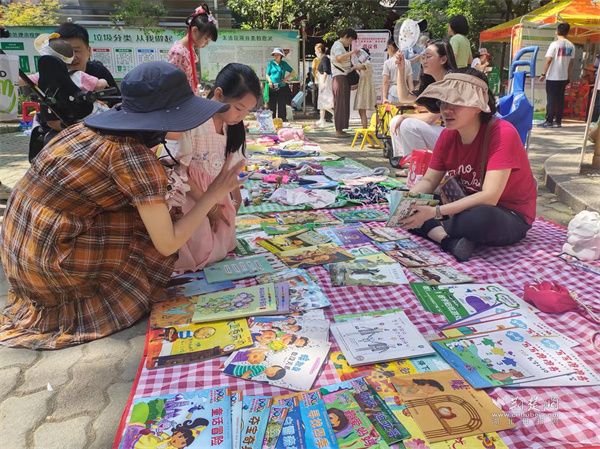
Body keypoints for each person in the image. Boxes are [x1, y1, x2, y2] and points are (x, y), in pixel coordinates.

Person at [0, 62, 243, 349]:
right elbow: (168, 243)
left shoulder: (85, 129)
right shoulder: (133, 157)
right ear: (162, 119)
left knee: (150, 211)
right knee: (151, 226)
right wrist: (213, 195)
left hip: (21, 258)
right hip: (52, 272)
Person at [399, 68, 537, 262]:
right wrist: (408, 201)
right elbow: (429, 180)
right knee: (415, 206)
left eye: (456, 103)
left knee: (479, 218)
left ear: (478, 106)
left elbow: (490, 197)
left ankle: (434, 229)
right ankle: (449, 241)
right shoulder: (448, 135)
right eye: (443, 102)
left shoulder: (502, 133)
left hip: (507, 214)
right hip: (464, 203)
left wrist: (434, 212)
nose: (446, 110)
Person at [167, 63, 261, 272]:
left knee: (221, 242)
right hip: (193, 197)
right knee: (197, 245)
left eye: (247, 112)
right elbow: (181, 173)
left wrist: (235, 199)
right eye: (239, 108)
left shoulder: (231, 126)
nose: (241, 116)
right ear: (219, 94)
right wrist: (210, 207)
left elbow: (231, 168)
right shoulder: (194, 123)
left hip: (218, 195)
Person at [389, 41, 457, 172]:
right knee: (395, 121)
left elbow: (432, 117)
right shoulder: (433, 83)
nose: (424, 61)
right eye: (423, 57)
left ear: (443, 59)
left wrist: (405, 116)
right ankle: (409, 163)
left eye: (428, 57)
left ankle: (421, 168)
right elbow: (404, 98)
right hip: (445, 134)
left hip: (457, 138)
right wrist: (401, 69)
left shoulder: (450, 82)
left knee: (408, 125)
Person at [168, 3, 218, 94]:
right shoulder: (178, 52)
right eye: (206, 39)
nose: (207, 43)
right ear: (194, 30)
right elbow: (172, 84)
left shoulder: (189, 48)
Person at [539, 22, 575, 128]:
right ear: (567, 32)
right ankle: (558, 121)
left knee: (551, 99)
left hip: (553, 76)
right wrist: (569, 76)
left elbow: (549, 60)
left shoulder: (554, 44)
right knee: (560, 99)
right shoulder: (571, 46)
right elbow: (571, 63)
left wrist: (543, 73)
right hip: (564, 77)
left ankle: (549, 121)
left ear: (557, 31)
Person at [331, 28, 359, 137]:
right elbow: (339, 58)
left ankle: (341, 129)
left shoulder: (340, 46)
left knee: (343, 103)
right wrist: (352, 52)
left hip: (342, 77)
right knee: (340, 104)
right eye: (350, 40)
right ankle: (339, 130)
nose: (350, 43)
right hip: (339, 78)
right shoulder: (338, 45)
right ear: (346, 36)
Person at [266, 48, 296, 121]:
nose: (276, 56)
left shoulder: (284, 64)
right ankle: (271, 120)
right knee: (272, 104)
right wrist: (270, 81)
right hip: (272, 87)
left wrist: (286, 79)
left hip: (282, 87)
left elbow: (293, 72)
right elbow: (267, 74)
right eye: (275, 55)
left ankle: (282, 120)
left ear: (281, 56)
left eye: (278, 55)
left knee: (281, 104)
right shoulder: (271, 63)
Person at [382, 38, 412, 104]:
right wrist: (412, 96)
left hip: (393, 92)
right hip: (405, 93)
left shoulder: (387, 63)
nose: (387, 52)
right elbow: (410, 82)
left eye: (387, 48)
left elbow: (385, 82)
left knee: (393, 110)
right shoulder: (407, 62)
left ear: (390, 47)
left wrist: (384, 98)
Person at [353, 49, 376, 129]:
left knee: (362, 109)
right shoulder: (364, 63)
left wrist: (350, 67)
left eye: (360, 54)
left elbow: (357, 67)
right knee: (361, 110)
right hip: (363, 88)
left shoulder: (367, 63)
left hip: (365, 89)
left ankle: (365, 129)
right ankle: (364, 128)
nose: (359, 56)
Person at [315, 43, 334, 128]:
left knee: (325, 102)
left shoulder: (325, 58)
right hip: (322, 80)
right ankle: (321, 119)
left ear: (319, 50)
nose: (315, 52)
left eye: (315, 50)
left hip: (325, 81)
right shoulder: (323, 58)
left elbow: (326, 71)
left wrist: (323, 83)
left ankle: (335, 115)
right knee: (321, 101)